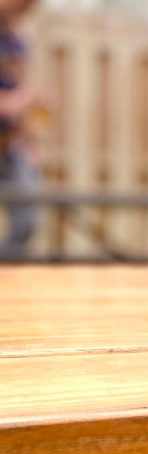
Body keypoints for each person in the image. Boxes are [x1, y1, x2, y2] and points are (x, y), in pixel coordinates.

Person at [0, 0, 39, 260]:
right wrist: (13, 103)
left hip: (9, 145)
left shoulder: (15, 42)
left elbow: (17, 88)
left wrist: (29, 142)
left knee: (26, 220)